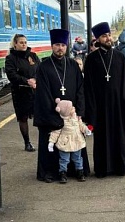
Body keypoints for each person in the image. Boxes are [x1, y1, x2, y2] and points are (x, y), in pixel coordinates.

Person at [34, 29, 90, 183]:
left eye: (63, 45)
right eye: (57, 45)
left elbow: (80, 89)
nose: (60, 48)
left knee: (75, 141)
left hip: (72, 115)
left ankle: (76, 170)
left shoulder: (72, 65)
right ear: (52, 46)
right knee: (50, 140)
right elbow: (43, 94)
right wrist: (55, 114)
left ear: (67, 46)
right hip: (51, 114)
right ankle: (50, 172)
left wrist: (79, 111)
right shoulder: (44, 67)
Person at [84, 22, 125, 178]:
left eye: (108, 35)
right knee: (102, 138)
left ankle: (121, 167)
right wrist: (91, 110)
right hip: (100, 106)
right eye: (103, 36)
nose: (107, 38)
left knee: (119, 137)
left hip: (118, 105)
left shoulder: (119, 56)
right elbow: (89, 86)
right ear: (97, 39)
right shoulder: (92, 59)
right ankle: (102, 168)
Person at [5, 34, 40, 152]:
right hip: (20, 93)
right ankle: (27, 142)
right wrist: (26, 81)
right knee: (23, 118)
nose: (24, 44)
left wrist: (35, 79)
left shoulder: (33, 56)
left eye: (25, 42)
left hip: (35, 91)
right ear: (15, 44)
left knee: (40, 116)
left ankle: (45, 141)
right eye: (21, 42)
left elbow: (40, 69)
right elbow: (11, 75)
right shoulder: (10, 58)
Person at [48, 98, 91, 183]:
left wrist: (86, 130)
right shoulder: (61, 121)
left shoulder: (76, 117)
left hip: (76, 141)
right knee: (64, 159)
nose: (73, 108)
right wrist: (51, 142)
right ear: (67, 111)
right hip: (65, 143)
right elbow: (56, 132)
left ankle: (80, 171)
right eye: (71, 108)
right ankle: (63, 173)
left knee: (78, 158)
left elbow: (81, 125)